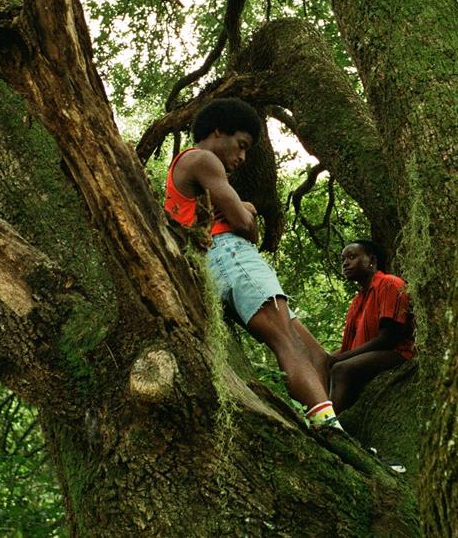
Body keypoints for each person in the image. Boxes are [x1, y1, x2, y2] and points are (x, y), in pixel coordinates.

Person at [165, 98, 339, 429]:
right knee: (286, 342)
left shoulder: (184, 172)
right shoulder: (202, 159)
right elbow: (246, 228)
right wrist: (244, 210)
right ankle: (329, 427)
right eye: (241, 145)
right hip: (229, 255)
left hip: (213, 264)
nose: (242, 158)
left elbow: (248, 228)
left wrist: (242, 211)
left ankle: (329, 415)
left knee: (312, 352)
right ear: (217, 132)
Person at [329, 240, 414, 412]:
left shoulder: (390, 283)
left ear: (372, 261)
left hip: (398, 352)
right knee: (324, 363)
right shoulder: (358, 300)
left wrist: (341, 358)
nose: (345, 263)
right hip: (373, 353)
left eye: (352, 257)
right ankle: (318, 415)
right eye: (342, 259)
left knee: (341, 368)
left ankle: (329, 427)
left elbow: (389, 338)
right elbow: (352, 343)